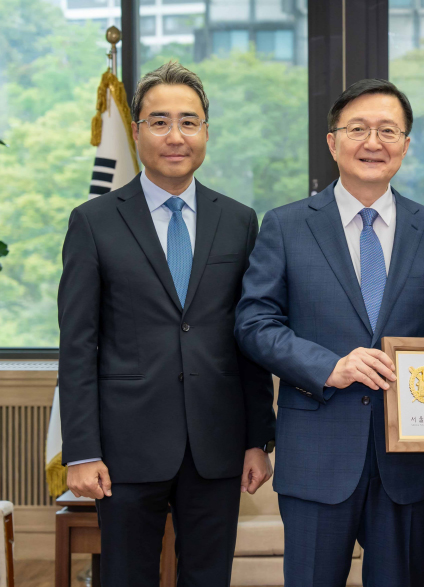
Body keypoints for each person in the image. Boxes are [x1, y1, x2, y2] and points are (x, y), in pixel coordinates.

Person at [234, 78, 424, 587]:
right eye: (358, 128)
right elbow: (254, 324)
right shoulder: (285, 225)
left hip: (407, 462)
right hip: (317, 456)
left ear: (406, 146)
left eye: (389, 131)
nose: (373, 142)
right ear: (332, 141)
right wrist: (330, 366)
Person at [58, 61, 276, 586]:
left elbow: (246, 337)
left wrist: (257, 438)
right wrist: (82, 450)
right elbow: (78, 343)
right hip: (124, 448)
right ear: (136, 132)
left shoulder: (240, 221)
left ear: (205, 132)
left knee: (208, 578)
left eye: (188, 121)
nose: (174, 136)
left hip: (216, 443)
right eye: (159, 122)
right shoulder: (94, 222)